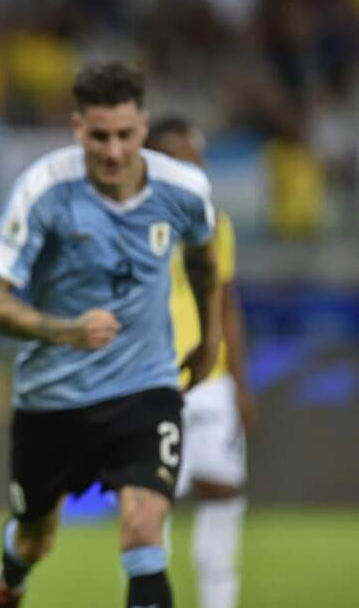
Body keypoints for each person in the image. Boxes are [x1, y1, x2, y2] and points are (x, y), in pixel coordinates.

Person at [0, 61, 221, 608]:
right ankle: (12, 578)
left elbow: (205, 260)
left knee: (142, 531)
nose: (112, 151)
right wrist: (64, 329)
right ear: (77, 127)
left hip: (144, 387)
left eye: (125, 136)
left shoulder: (183, 189)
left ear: (144, 127)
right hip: (53, 396)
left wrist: (210, 338)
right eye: (99, 136)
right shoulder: (44, 189)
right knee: (36, 537)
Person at [147, 116, 256, 608]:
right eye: (177, 156)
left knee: (221, 495)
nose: (191, 166)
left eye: (195, 157)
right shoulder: (128, 222)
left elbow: (227, 304)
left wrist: (241, 386)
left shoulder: (215, 223)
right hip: (150, 383)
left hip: (211, 384)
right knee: (148, 514)